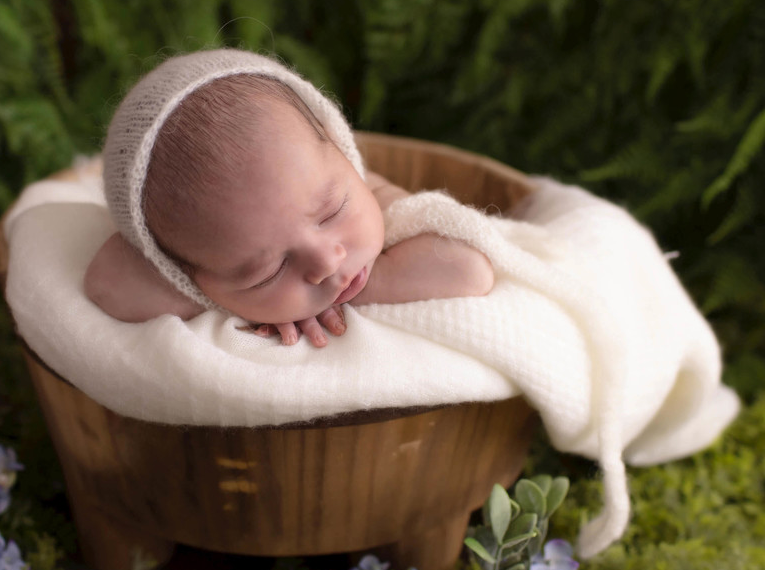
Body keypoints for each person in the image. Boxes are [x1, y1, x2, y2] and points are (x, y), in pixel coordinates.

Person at [86, 50, 494, 347]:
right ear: (184, 275)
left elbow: (468, 269)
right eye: (267, 271)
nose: (327, 263)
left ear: (339, 145)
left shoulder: (374, 192)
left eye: (332, 211)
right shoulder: (195, 267)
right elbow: (108, 284)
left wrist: (354, 288)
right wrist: (245, 304)